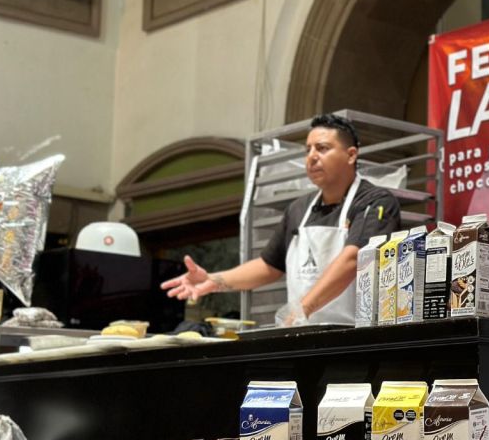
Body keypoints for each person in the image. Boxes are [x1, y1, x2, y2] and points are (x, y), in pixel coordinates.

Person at [162, 114, 401, 325]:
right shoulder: (299, 209)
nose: (312, 157)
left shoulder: (375, 202)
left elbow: (353, 260)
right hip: (301, 332)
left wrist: (301, 309)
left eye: (322, 148)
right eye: (307, 150)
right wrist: (213, 281)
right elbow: (268, 266)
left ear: (351, 155)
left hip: (354, 336)